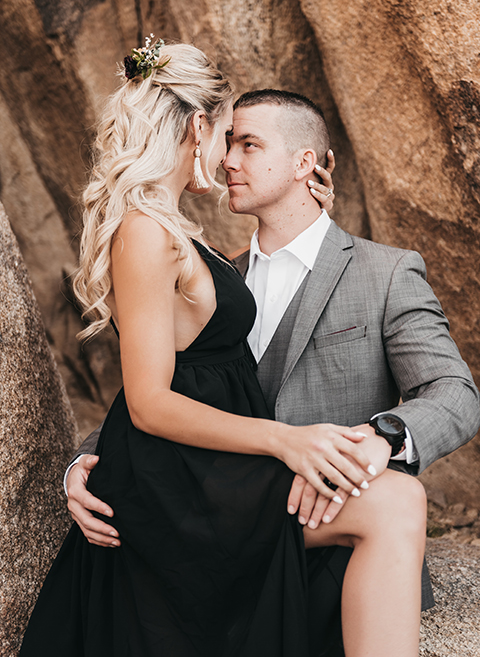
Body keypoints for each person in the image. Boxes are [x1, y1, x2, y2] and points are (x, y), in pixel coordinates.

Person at [20, 41, 458, 657]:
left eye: (248, 144)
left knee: (395, 499)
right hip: (219, 494)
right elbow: (156, 391)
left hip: (298, 513)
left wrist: (374, 443)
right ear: (196, 127)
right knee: (397, 504)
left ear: (307, 163)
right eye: (229, 139)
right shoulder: (203, 264)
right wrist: (84, 467)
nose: (228, 159)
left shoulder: (382, 273)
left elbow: (456, 396)